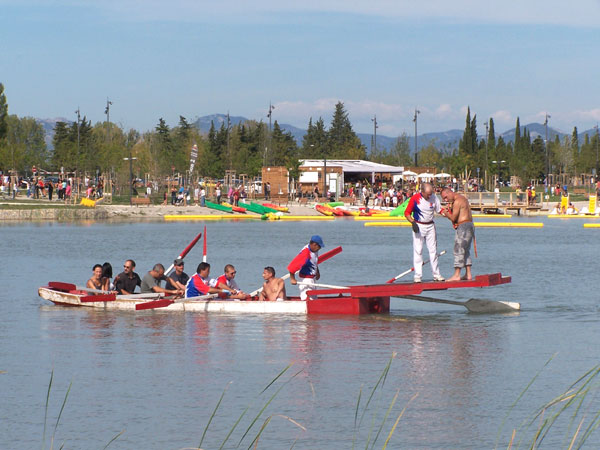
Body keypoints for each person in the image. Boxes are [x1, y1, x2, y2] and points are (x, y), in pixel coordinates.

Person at [404, 182, 445, 282]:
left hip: (430, 226)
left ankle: (436, 275)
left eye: (431, 193)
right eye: (428, 194)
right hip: (419, 226)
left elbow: (440, 210)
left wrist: (450, 215)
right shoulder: (415, 199)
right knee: (418, 250)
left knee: (433, 251)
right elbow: (407, 213)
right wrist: (412, 223)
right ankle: (418, 276)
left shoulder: (434, 198)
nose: (430, 195)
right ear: (422, 192)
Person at [440, 188, 475, 281]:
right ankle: (468, 274)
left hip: (463, 226)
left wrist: (445, 213)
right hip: (470, 225)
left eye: (446, 197)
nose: (446, 200)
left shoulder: (457, 201)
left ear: (450, 193)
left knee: (458, 249)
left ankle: (457, 274)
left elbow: (453, 218)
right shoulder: (463, 198)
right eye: (444, 199)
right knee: (466, 250)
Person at [288, 235, 324, 300]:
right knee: (308, 300)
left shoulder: (314, 250)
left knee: (314, 299)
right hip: (305, 280)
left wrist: (317, 272)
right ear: (314, 244)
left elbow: (314, 261)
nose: (320, 248)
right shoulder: (306, 253)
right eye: (319, 246)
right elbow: (292, 266)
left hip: (312, 279)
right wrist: (292, 278)